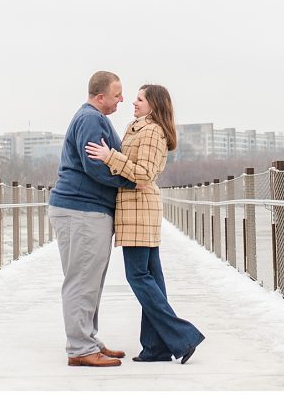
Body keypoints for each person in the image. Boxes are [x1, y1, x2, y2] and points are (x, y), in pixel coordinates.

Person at [85, 84, 205, 365]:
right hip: (139, 209)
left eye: (139, 99)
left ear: (153, 104)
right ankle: (156, 347)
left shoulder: (151, 131)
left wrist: (109, 157)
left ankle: (183, 336)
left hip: (139, 209)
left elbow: (144, 174)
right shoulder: (139, 127)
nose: (133, 103)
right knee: (153, 279)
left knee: (138, 276)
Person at [48, 70, 137, 367]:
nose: (122, 99)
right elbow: (95, 166)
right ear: (101, 97)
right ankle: (80, 348)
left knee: (91, 279)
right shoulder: (90, 119)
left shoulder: (95, 119)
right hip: (81, 209)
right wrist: (131, 181)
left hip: (87, 210)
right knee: (82, 279)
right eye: (117, 94)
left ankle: (87, 338)